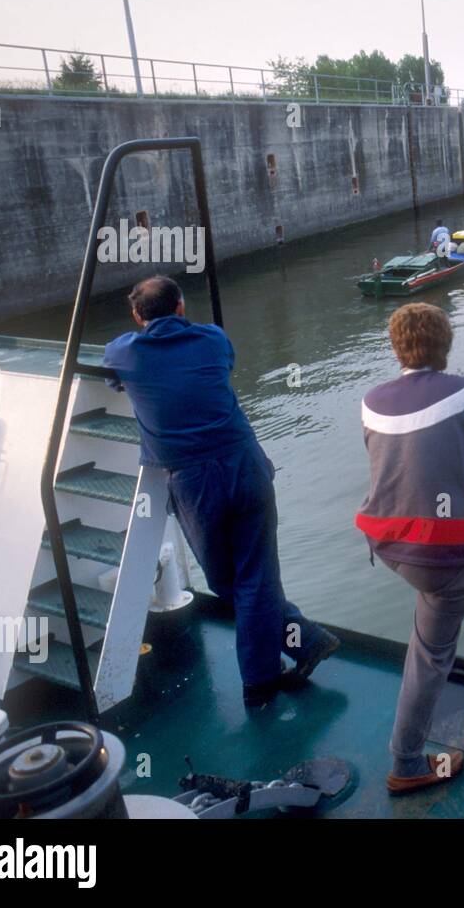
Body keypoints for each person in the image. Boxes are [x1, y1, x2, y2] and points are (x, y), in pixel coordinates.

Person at [103, 275, 339, 709]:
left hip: (192, 483)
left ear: (138, 317)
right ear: (180, 308)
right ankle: (303, 640)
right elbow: (219, 364)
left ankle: (261, 681)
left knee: (232, 580)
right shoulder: (212, 340)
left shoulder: (125, 353)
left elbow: (115, 375)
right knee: (251, 579)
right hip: (245, 468)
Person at [355, 302, 464, 794]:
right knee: (430, 654)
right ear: (445, 345)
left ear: (396, 349)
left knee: (431, 613)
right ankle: (407, 765)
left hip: (387, 541)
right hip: (441, 555)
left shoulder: (372, 400)